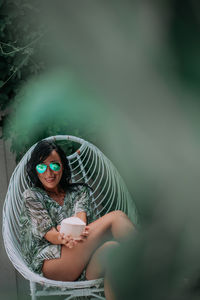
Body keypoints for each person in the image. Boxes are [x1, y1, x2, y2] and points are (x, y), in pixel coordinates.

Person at [19, 140, 136, 300]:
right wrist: (63, 237)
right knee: (116, 217)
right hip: (52, 262)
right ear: (35, 170)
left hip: (83, 261)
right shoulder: (32, 196)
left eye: (54, 165)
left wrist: (74, 232)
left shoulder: (79, 191)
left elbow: (80, 219)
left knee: (113, 249)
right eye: (41, 166)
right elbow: (49, 234)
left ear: (63, 166)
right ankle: (153, 271)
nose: (49, 173)